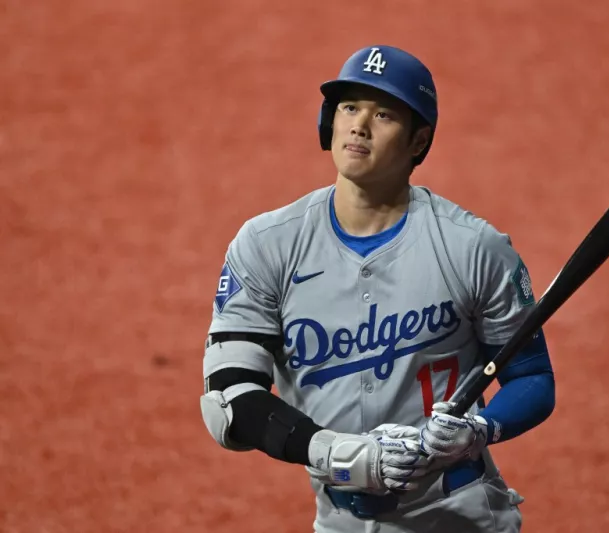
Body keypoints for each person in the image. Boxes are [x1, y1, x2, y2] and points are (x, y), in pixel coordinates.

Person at [200, 45, 556, 532]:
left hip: (460, 516)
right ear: (329, 121)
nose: (359, 126)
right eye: (349, 108)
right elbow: (228, 402)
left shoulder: (474, 248)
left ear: (418, 141)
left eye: (383, 114)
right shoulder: (267, 245)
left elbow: (532, 378)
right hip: (339, 520)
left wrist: (479, 429)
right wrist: (340, 452)